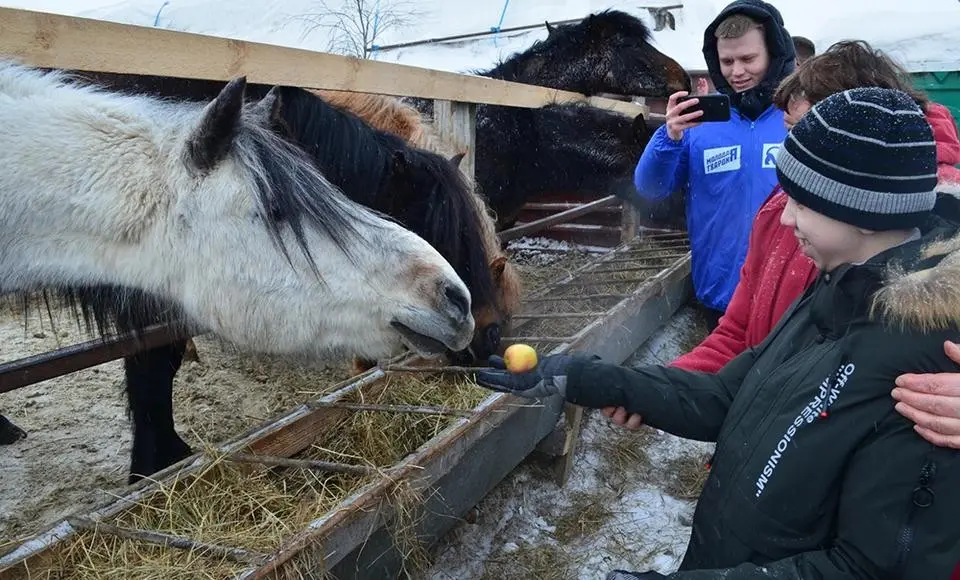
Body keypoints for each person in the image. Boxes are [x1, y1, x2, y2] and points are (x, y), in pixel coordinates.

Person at [477, 87, 960, 579]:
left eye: (800, 201)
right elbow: (729, 394)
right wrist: (582, 377)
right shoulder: (837, 292)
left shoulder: (922, 366)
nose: (785, 216)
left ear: (859, 211)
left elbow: (867, 568)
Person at [606, 40, 960, 447]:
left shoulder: (938, 233)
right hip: (765, 441)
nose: (788, 152)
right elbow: (741, 334)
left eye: (801, 133)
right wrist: (659, 387)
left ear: (860, 132)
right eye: (790, 133)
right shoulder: (778, 209)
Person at [630, 0, 796, 330]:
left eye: (749, 59)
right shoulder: (697, 126)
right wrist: (669, 136)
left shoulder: (797, 118)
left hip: (790, 293)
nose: (737, 72)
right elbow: (649, 188)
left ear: (774, 54)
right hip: (720, 294)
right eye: (727, 61)